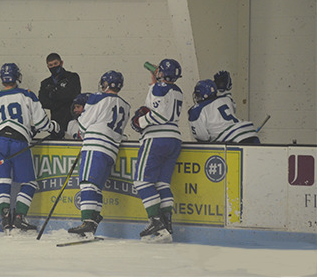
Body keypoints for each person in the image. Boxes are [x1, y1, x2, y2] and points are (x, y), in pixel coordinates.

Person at [0, 63, 61, 232]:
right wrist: (55, 128)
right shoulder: (27, 95)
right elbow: (42, 122)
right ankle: (20, 217)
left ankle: (5, 218)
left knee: (2, 180)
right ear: (17, 76)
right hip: (18, 141)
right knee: (29, 182)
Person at [67, 71, 131, 236]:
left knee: (87, 183)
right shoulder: (126, 105)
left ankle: (87, 222)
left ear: (106, 84)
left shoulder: (97, 98)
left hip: (95, 147)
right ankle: (93, 221)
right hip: (111, 151)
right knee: (96, 187)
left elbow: (83, 124)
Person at [131, 58, 184, 243]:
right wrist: (154, 78)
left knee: (142, 181)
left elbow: (158, 113)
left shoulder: (159, 87)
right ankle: (167, 225)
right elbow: (160, 100)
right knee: (162, 184)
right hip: (174, 139)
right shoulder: (177, 90)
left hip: (156, 138)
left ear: (163, 73)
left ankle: (155, 222)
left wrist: (141, 121)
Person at [188, 79, 260, 144]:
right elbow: (233, 106)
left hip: (232, 140)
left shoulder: (196, 110)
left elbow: (203, 138)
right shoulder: (226, 99)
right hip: (250, 133)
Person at [39, 53, 81, 134]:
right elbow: (43, 102)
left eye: (56, 63)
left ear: (61, 63)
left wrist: (52, 94)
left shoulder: (72, 77)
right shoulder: (45, 83)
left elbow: (73, 95)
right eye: (51, 65)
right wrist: (62, 97)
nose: (54, 67)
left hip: (72, 120)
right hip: (56, 123)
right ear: (48, 66)